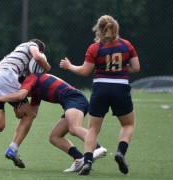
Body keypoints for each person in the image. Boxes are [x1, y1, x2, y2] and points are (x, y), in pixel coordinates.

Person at [60, 15, 140, 175]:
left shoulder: (94, 48)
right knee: (128, 125)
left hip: (100, 88)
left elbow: (84, 71)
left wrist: (69, 66)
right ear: (115, 29)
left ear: (99, 29)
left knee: (93, 129)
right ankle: (120, 153)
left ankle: (87, 161)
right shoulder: (126, 45)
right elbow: (136, 68)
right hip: (120, 88)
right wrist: (122, 69)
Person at [0, 73, 107, 172]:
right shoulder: (36, 92)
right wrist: (19, 114)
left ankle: (98, 148)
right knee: (54, 136)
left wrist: (0, 98)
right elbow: (33, 114)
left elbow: (21, 94)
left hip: (74, 98)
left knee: (74, 128)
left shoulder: (31, 77)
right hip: (69, 101)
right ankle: (79, 158)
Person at [0, 39, 51, 168]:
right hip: (5, 76)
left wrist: (19, 113)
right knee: (29, 115)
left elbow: (22, 90)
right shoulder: (32, 45)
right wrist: (47, 67)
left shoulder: (18, 58)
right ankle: (13, 149)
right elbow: (37, 57)